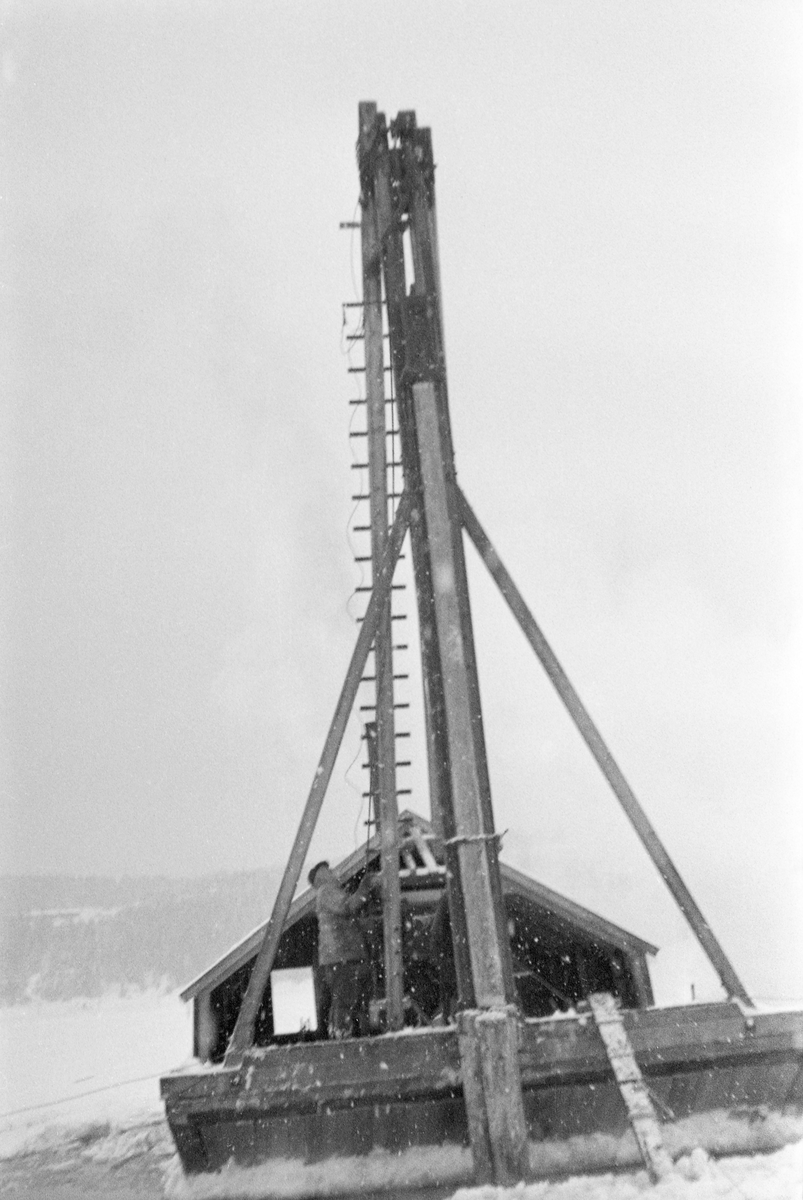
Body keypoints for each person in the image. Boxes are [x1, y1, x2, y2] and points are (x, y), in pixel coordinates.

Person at [308, 861, 375, 1040]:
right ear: (323, 875)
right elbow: (348, 907)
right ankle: (343, 1038)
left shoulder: (326, 894)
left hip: (339, 958)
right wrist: (364, 888)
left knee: (343, 1001)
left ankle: (342, 1036)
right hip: (342, 957)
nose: (334, 873)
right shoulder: (327, 891)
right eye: (329, 871)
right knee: (345, 1001)